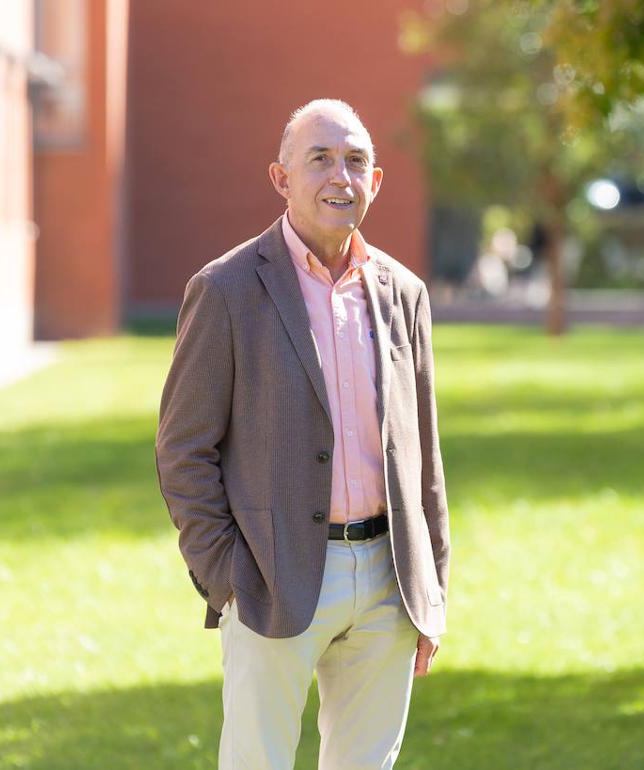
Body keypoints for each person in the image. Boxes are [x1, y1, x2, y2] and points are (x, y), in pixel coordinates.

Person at [155, 98, 449, 770]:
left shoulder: (404, 293)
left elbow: (423, 455)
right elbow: (183, 449)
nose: (339, 176)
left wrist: (430, 588)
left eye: (355, 161)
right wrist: (227, 576)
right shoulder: (226, 289)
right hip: (271, 575)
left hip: (388, 579)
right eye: (320, 159)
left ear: (375, 182)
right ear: (282, 178)